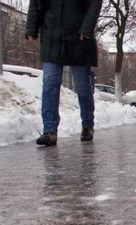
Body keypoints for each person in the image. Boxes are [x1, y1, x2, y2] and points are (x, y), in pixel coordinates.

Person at [26, 0, 103, 146]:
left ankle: (87, 125)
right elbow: (35, 2)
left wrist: (87, 29)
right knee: (50, 83)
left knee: (82, 86)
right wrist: (31, 28)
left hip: (79, 37)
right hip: (51, 37)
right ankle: (50, 130)